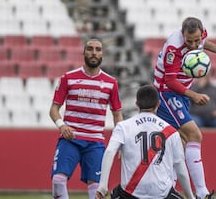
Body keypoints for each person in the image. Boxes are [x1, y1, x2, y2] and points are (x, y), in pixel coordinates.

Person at [153, 17, 216, 199]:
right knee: (194, 135)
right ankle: (202, 193)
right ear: (182, 35)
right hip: (166, 93)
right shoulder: (174, 47)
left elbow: (203, 42)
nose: (195, 45)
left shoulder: (200, 36)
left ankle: (167, 190)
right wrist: (194, 95)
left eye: (197, 40)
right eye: (190, 41)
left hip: (181, 94)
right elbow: (170, 81)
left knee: (178, 143)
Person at [49, 38, 123, 199]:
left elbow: (117, 114)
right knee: (57, 180)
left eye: (97, 49)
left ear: (102, 54)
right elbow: (54, 109)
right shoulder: (68, 78)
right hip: (70, 139)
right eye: (90, 49)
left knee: (97, 189)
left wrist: (120, 142)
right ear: (83, 52)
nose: (94, 52)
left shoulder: (111, 83)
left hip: (95, 142)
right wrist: (62, 126)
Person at [95, 85, 195, 199]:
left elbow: (109, 153)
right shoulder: (171, 131)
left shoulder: (123, 127)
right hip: (161, 194)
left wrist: (102, 186)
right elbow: (180, 169)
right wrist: (191, 197)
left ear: (137, 104)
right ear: (158, 104)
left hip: (129, 194)